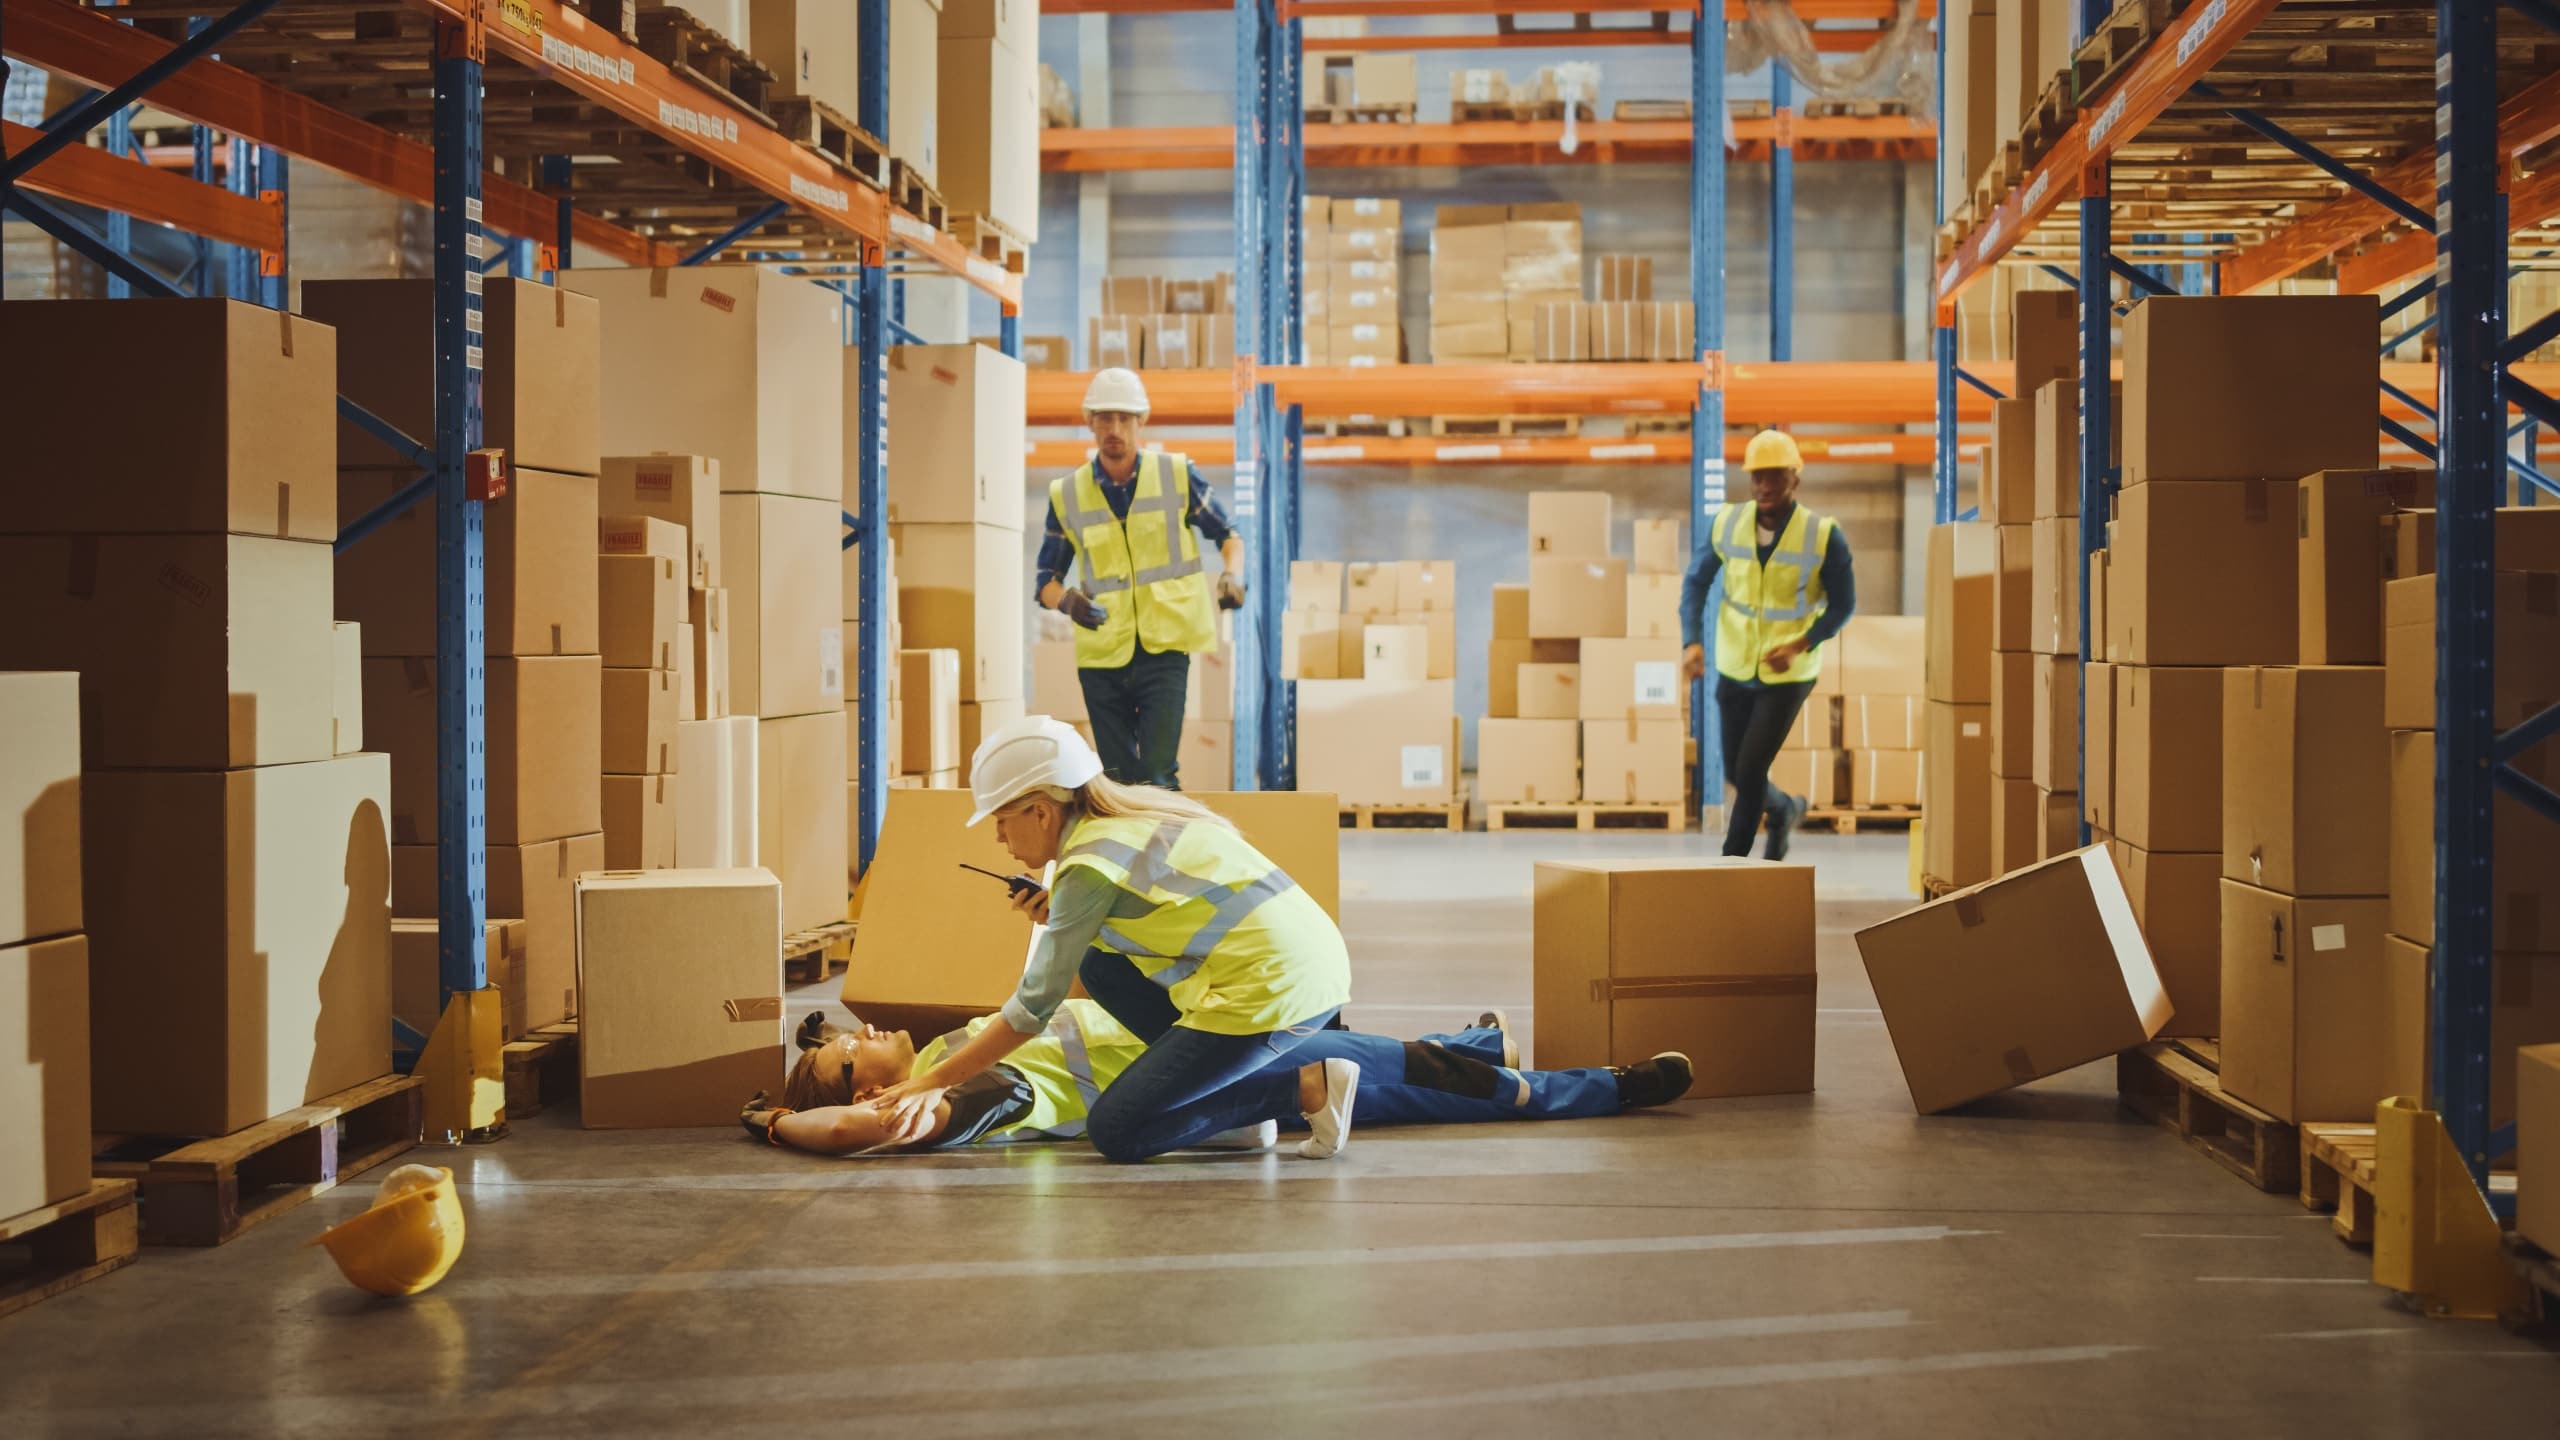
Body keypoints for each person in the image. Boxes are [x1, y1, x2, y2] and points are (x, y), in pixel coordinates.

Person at [860, 714, 1358, 1162]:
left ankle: (1303, 1087)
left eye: (1001, 819)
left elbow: (1033, 1008)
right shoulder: (1131, 820)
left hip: (1271, 989)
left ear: (1040, 811)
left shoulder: (1088, 867)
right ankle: (1235, 1106)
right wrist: (1065, 921)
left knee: (1117, 1130)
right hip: (1310, 966)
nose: (998, 838)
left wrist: (934, 1081)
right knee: (1100, 966)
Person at [739, 1005, 1697, 1155]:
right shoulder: (971, 1097)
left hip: (1214, 1044)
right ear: (869, 1092)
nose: (859, 1033)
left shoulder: (957, 1046)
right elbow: (861, 1139)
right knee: (1405, 1071)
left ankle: (1477, 1047)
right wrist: (779, 1123)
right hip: (1227, 1076)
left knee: (1377, 1062)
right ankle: (1603, 1088)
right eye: (846, 1056)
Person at [1034, 367, 1245, 790]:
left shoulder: (1177, 475)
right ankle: (1128, 856)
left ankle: (1165, 856)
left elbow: (1229, 537)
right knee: (1115, 781)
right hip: (1102, 657)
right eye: (1105, 418)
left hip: (1164, 650)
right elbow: (1044, 581)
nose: (1114, 429)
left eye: (1124, 418)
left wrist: (1233, 576)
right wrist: (1067, 602)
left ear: (1140, 422)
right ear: (1090, 422)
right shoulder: (1068, 493)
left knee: (1158, 774)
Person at [1679, 428, 1858, 861]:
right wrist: (1692, 642)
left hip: (1788, 676)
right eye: (1758, 476)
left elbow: (1843, 606)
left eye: (1775, 476)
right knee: (1740, 775)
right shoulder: (1728, 523)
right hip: (1736, 665)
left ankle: (1733, 865)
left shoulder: (1822, 534)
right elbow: (1696, 582)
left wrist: (1800, 645)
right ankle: (1784, 810)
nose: (1765, 486)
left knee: (1752, 767)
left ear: (1794, 477)